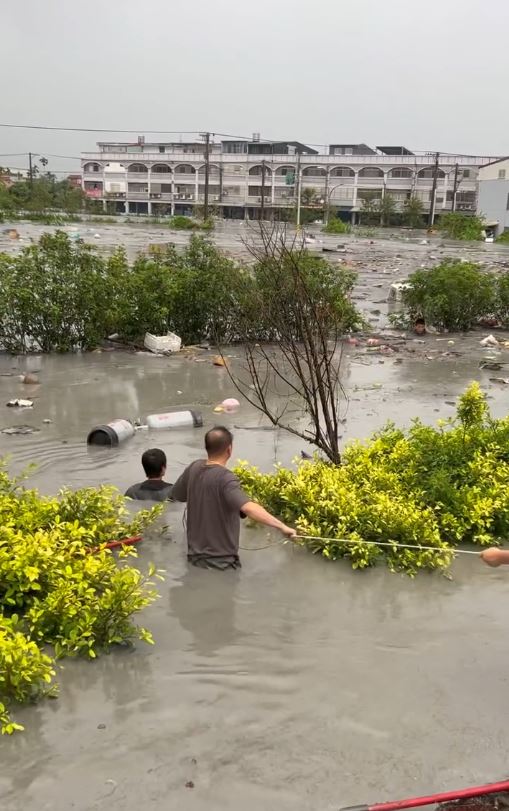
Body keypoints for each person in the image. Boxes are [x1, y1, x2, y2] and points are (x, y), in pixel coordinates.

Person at [171, 426, 296, 569]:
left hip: (193, 559)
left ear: (207, 447)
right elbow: (248, 508)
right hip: (222, 563)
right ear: (229, 450)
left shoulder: (193, 467)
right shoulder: (226, 478)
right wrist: (282, 526)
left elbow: (178, 495)